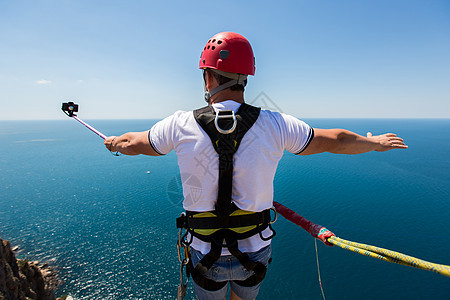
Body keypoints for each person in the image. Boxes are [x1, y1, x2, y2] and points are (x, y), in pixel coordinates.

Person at [104, 32, 407, 300]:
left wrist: (115, 142)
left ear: (208, 77)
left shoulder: (180, 124)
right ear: (245, 78)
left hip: (203, 251)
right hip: (254, 251)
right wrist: (375, 142)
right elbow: (336, 140)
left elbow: (135, 144)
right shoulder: (276, 124)